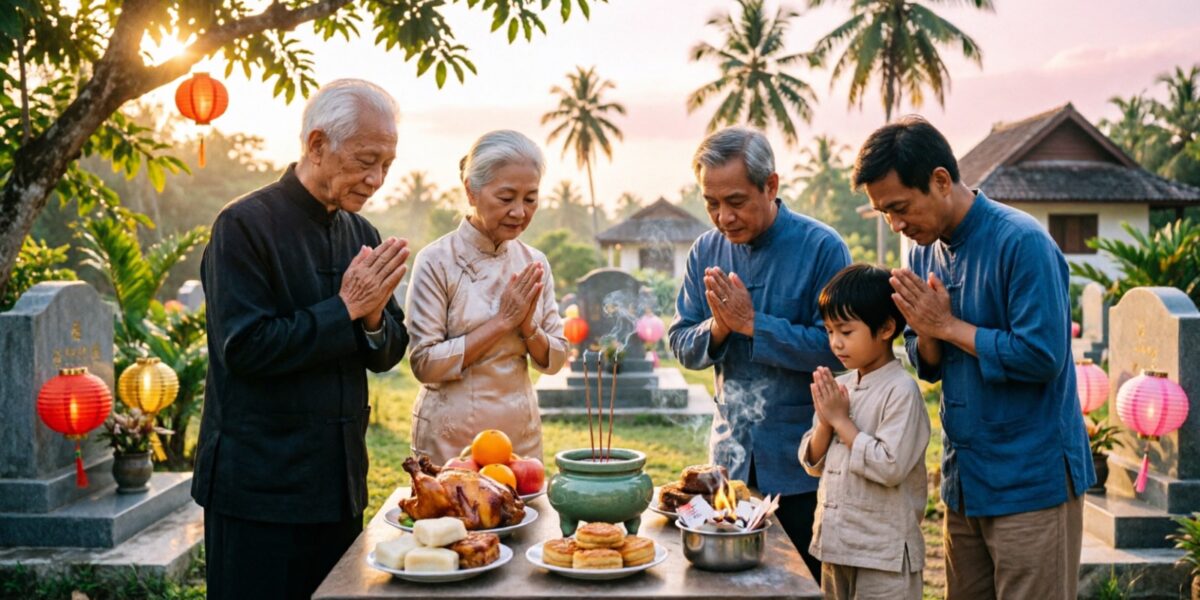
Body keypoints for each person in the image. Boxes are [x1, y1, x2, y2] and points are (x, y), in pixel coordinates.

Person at [852, 116, 1094, 600]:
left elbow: (1042, 355)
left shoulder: (1021, 243)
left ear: (941, 180)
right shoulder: (922, 253)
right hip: (965, 483)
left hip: (1031, 484)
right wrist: (928, 336)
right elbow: (928, 364)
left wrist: (947, 326)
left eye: (900, 207)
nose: (896, 224)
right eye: (884, 214)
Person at [191, 79, 410, 600]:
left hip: (338, 483)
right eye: (366, 160)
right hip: (259, 489)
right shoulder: (242, 226)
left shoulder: (362, 233)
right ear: (316, 145)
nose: (376, 179)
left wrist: (374, 318)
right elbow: (245, 348)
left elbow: (387, 349)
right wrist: (346, 310)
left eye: (387, 164)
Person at [668, 126, 851, 582]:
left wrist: (755, 326)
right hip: (729, 465)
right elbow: (681, 343)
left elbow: (843, 353)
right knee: (727, 586)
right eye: (711, 204)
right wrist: (720, 327)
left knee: (801, 585)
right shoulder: (705, 251)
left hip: (805, 467)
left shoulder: (822, 248)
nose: (723, 218)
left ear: (771, 186)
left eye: (735, 201)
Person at [406, 130, 567, 466]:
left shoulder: (534, 263)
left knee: (524, 516)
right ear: (471, 191)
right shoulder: (437, 261)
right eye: (506, 198)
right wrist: (501, 323)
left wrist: (527, 328)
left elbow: (555, 361)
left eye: (530, 198)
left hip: (519, 439)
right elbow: (424, 363)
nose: (520, 212)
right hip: (450, 441)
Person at [799, 264, 929, 600]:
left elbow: (890, 466)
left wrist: (841, 421)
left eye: (845, 331)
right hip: (836, 545)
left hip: (882, 555)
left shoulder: (901, 391)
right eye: (829, 331)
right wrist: (826, 422)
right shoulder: (840, 386)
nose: (835, 343)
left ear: (886, 328)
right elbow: (812, 462)